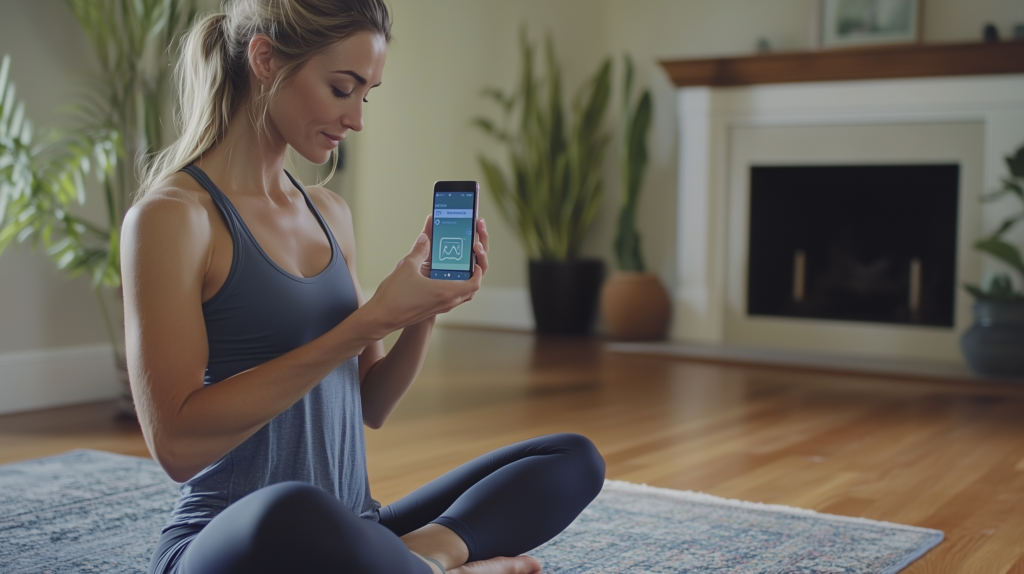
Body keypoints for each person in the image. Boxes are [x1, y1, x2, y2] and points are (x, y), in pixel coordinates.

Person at [121, 1, 606, 573]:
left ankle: (422, 560)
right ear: (265, 59)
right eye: (342, 88)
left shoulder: (328, 211)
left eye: (366, 94)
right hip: (237, 541)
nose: (356, 119)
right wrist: (370, 320)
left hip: (355, 529)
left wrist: (424, 308)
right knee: (292, 508)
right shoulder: (174, 217)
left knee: (573, 458)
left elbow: (371, 402)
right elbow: (175, 447)